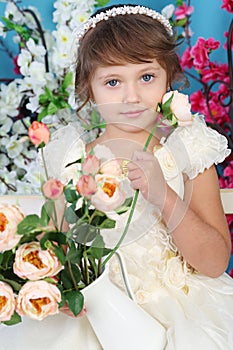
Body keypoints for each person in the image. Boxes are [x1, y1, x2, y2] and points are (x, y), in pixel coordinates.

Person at [3, 4, 232, 350]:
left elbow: (214, 263)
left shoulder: (190, 150)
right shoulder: (71, 158)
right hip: (97, 313)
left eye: (146, 77)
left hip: (179, 307)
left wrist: (164, 197)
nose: (132, 96)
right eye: (112, 81)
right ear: (89, 89)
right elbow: (57, 252)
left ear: (168, 77)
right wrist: (62, 288)